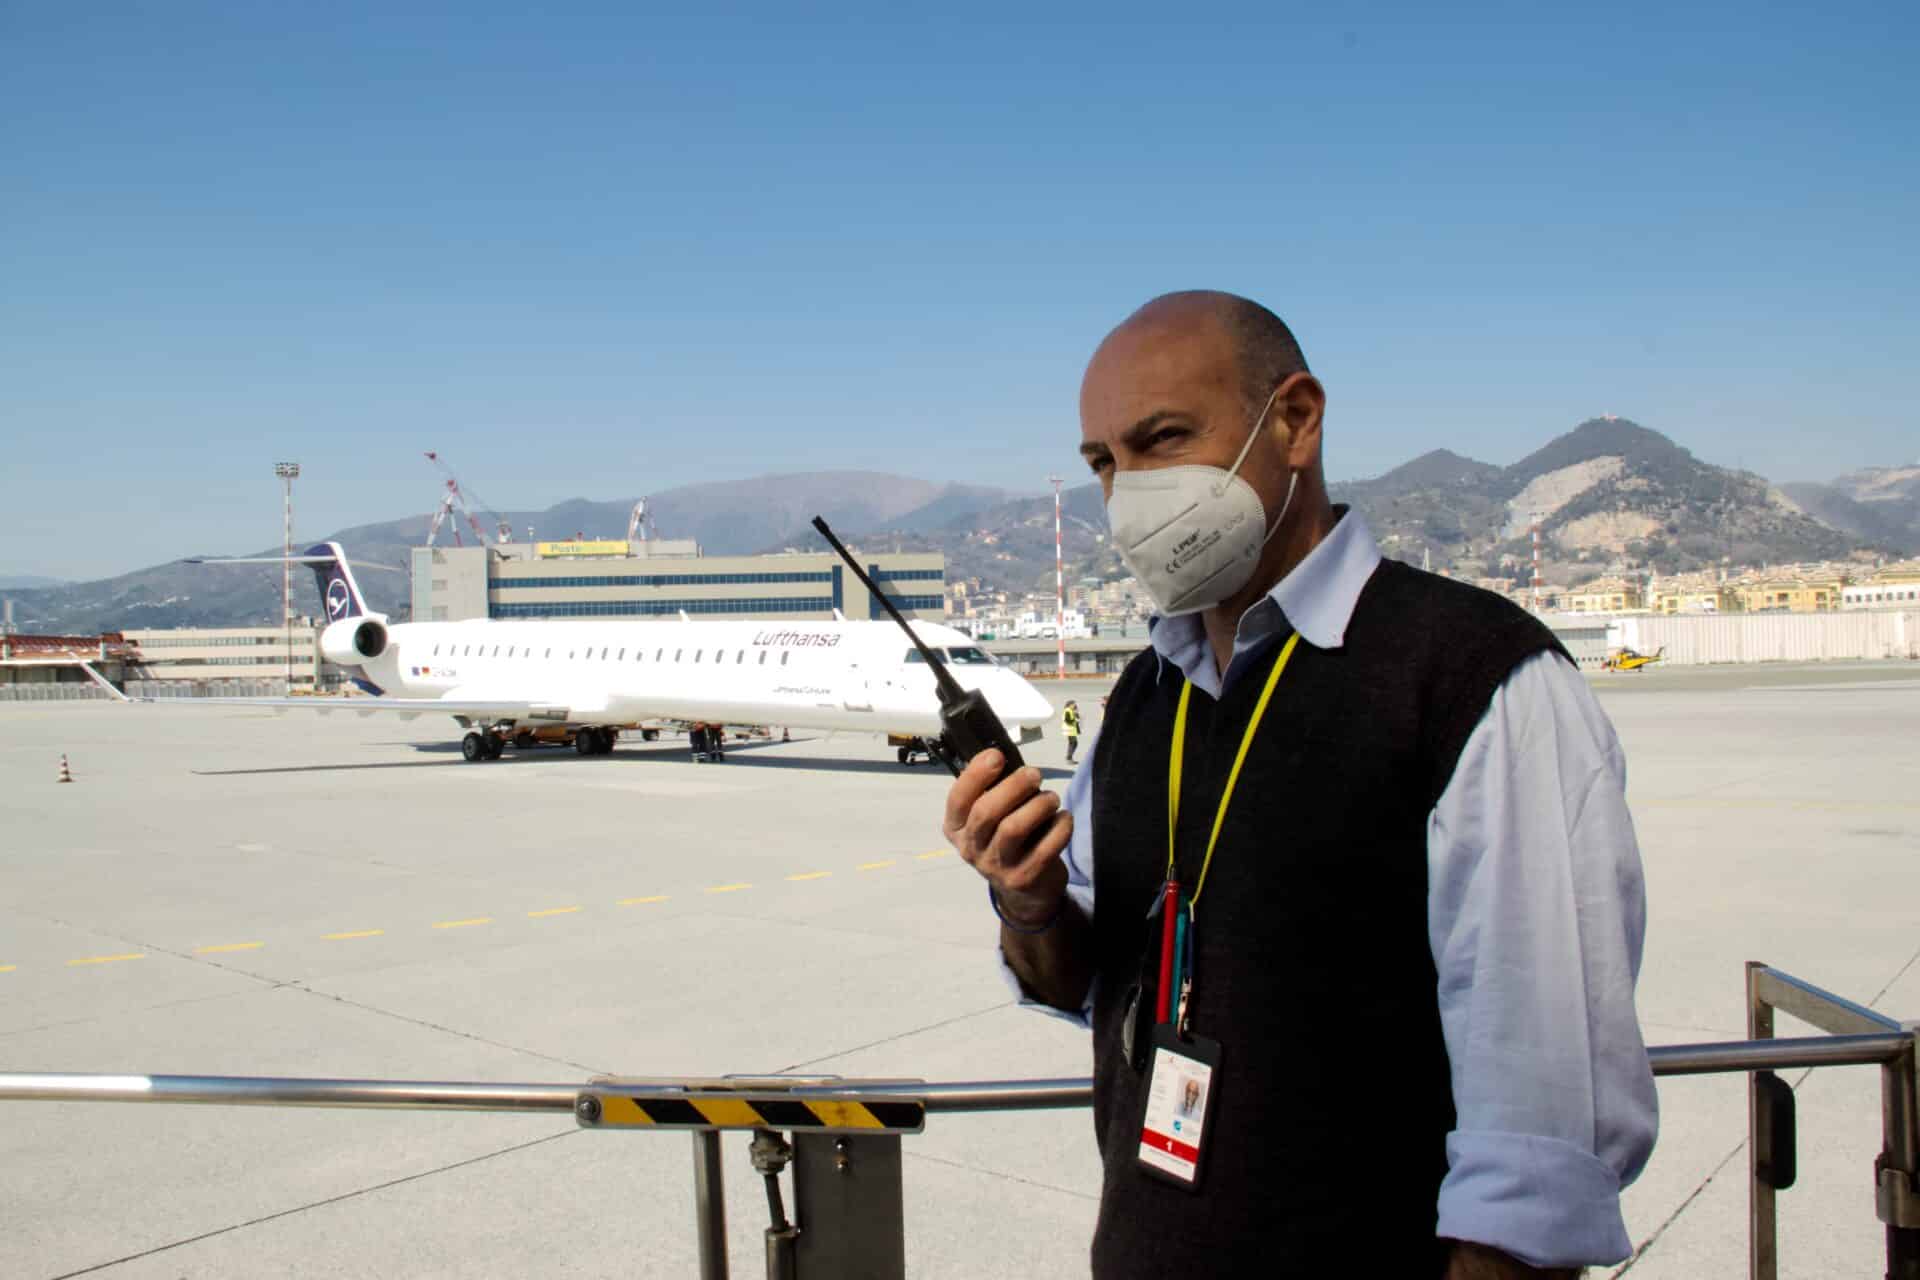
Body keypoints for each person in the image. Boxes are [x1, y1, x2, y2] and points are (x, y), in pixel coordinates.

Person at [942, 292, 1656, 1278]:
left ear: (1296, 421)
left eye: (1163, 440)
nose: (1129, 493)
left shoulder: (1474, 681)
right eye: (1104, 462)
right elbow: (1076, 981)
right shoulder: (1144, 695)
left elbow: (1537, 1153)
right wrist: (1029, 904)